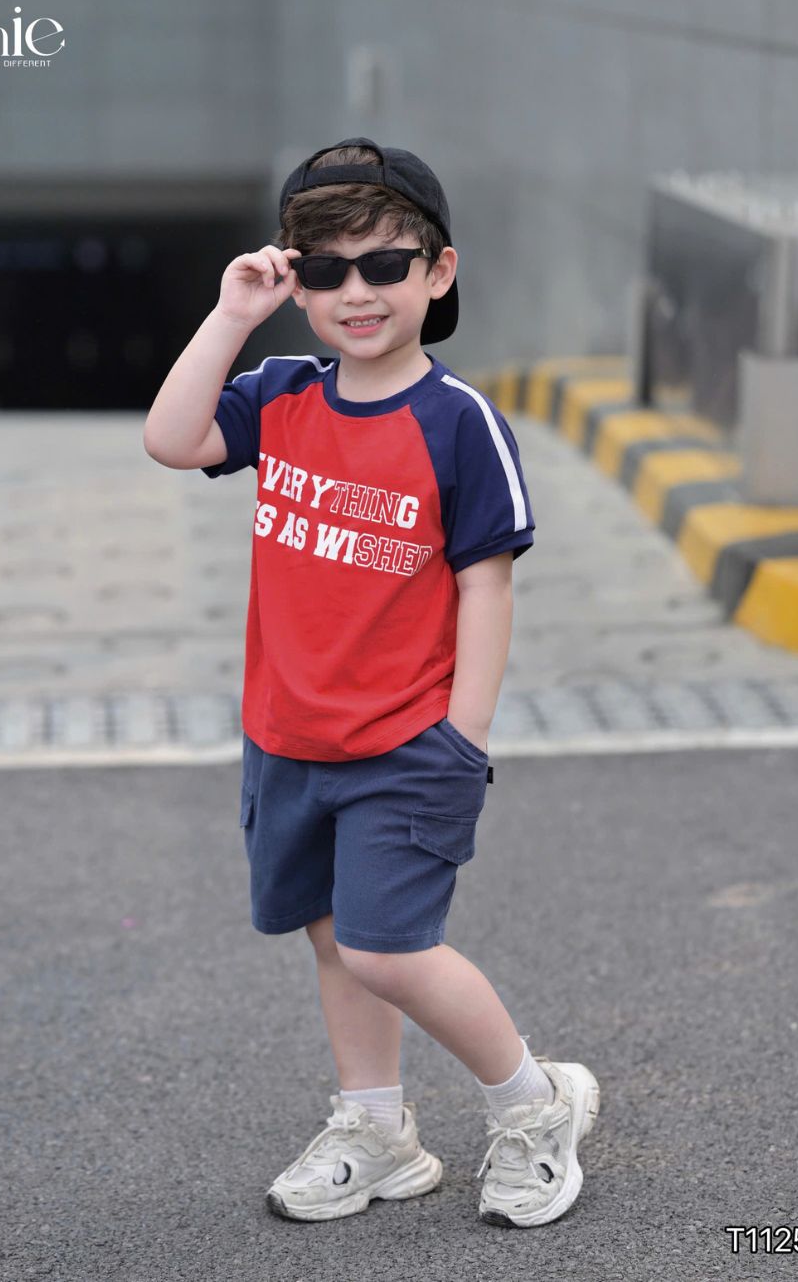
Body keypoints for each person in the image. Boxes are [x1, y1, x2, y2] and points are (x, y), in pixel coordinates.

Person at [143, 137, 599, 1228]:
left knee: (388, 948)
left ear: (438, 273)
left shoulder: (459, 422)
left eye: (385, 265)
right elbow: (170, 438)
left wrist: (461, 740)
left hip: (407, 743)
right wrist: (234, 314)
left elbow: (486, 588)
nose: (357, 291)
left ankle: (536, 1105)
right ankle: (377, 1128)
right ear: (296, 280)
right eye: (326, 268)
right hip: (288, 738)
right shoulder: (281, 394)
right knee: (332, 939)